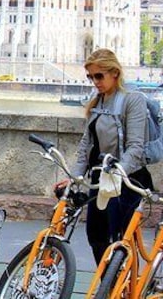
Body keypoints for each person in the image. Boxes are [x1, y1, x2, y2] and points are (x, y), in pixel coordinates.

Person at [69, 48, 152, 264]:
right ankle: (107, 287)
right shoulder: (97, 102)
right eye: (90, 76)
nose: (95, 81)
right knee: (96, 237)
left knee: (119, 241)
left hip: (128, 179)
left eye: (99, 76)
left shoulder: (132, 100)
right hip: (101, 179)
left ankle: (122, 289)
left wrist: (118, 172)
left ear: (114, 73)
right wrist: (75, 178)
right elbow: (87, 144)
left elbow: (136, 146)